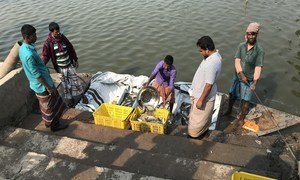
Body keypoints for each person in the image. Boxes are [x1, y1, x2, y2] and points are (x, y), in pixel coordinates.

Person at [19, 24, 68, 132]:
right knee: (51, 105)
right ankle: (54, 125)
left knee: (45, 105)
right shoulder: (29, 54)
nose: (36, 37)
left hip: (37, 84)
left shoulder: (22, 48)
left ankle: (47, 122)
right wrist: (48, 87)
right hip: (42, 85)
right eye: (34, 35)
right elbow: (37, 74)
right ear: (27, 37)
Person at [224, 22, 264, 126]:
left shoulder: (259, 50)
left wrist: (255, 82)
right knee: (232, 93)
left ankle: (242, 117)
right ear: (246, 34)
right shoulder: (241, 46)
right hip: (237, 76)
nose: (250, 36)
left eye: (253, 34)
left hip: (249, 79)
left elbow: (258, 67)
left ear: (257, 34)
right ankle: (229, 110)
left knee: (245, 101)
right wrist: (241, 74)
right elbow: (237, 61)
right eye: (248, 34)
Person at [42, 22, 83, 107]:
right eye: (55, 32)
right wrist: (41, 64)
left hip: (69, 64)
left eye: (58, 31)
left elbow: (70, 47)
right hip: (61, 68)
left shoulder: (62, 38)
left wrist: (75, 59)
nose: (57, 33)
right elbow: (46, 55)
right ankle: (70, 100)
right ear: (51, 32)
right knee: (66, 85)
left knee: (75, 81)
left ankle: (82, 95)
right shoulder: (48, 43)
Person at [188, 36, 222, 139]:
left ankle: (195, 139)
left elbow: (208, 85)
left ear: (207, 50)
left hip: (203, 97)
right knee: (203, 121)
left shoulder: (211, 63)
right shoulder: (215, 56)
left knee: (195, 126)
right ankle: (202, 133)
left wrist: (200, 100)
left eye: (201, 50)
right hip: (200, 94)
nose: (200, 53)